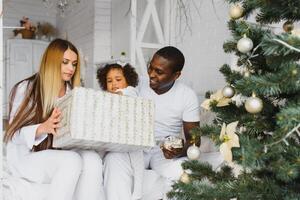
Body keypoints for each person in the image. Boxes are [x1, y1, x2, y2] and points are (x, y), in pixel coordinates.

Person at [4, 38, 105, 200]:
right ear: (52, 61)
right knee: (71, 161)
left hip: (58, 153)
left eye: (74, 64)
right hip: (27, 158)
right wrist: (42, 128)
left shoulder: (72, 93)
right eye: (65, 62)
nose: (70, 68)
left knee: (92, 159)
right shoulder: (27, 88)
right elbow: (13, 134)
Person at [103, 46, 200, 200]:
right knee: (112, 159)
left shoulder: (187, 96)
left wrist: (178, 150)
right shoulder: (137, 83)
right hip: (134, 146)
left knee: (186, 171)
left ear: (176, 75)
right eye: (150, 68)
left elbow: (194, 140)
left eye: (159, 72)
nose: (151, 75)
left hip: (162, 152)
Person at [97, 62, 144, 199]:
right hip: (113, 141)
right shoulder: (106, 97)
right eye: (109, 81)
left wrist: (118, 95)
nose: (114, 84)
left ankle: (138, 187)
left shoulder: (131, 92)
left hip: (132, 138)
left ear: (127, 81)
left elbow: (128, 93)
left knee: (137, 151)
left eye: (118, 79)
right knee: (105, 154)